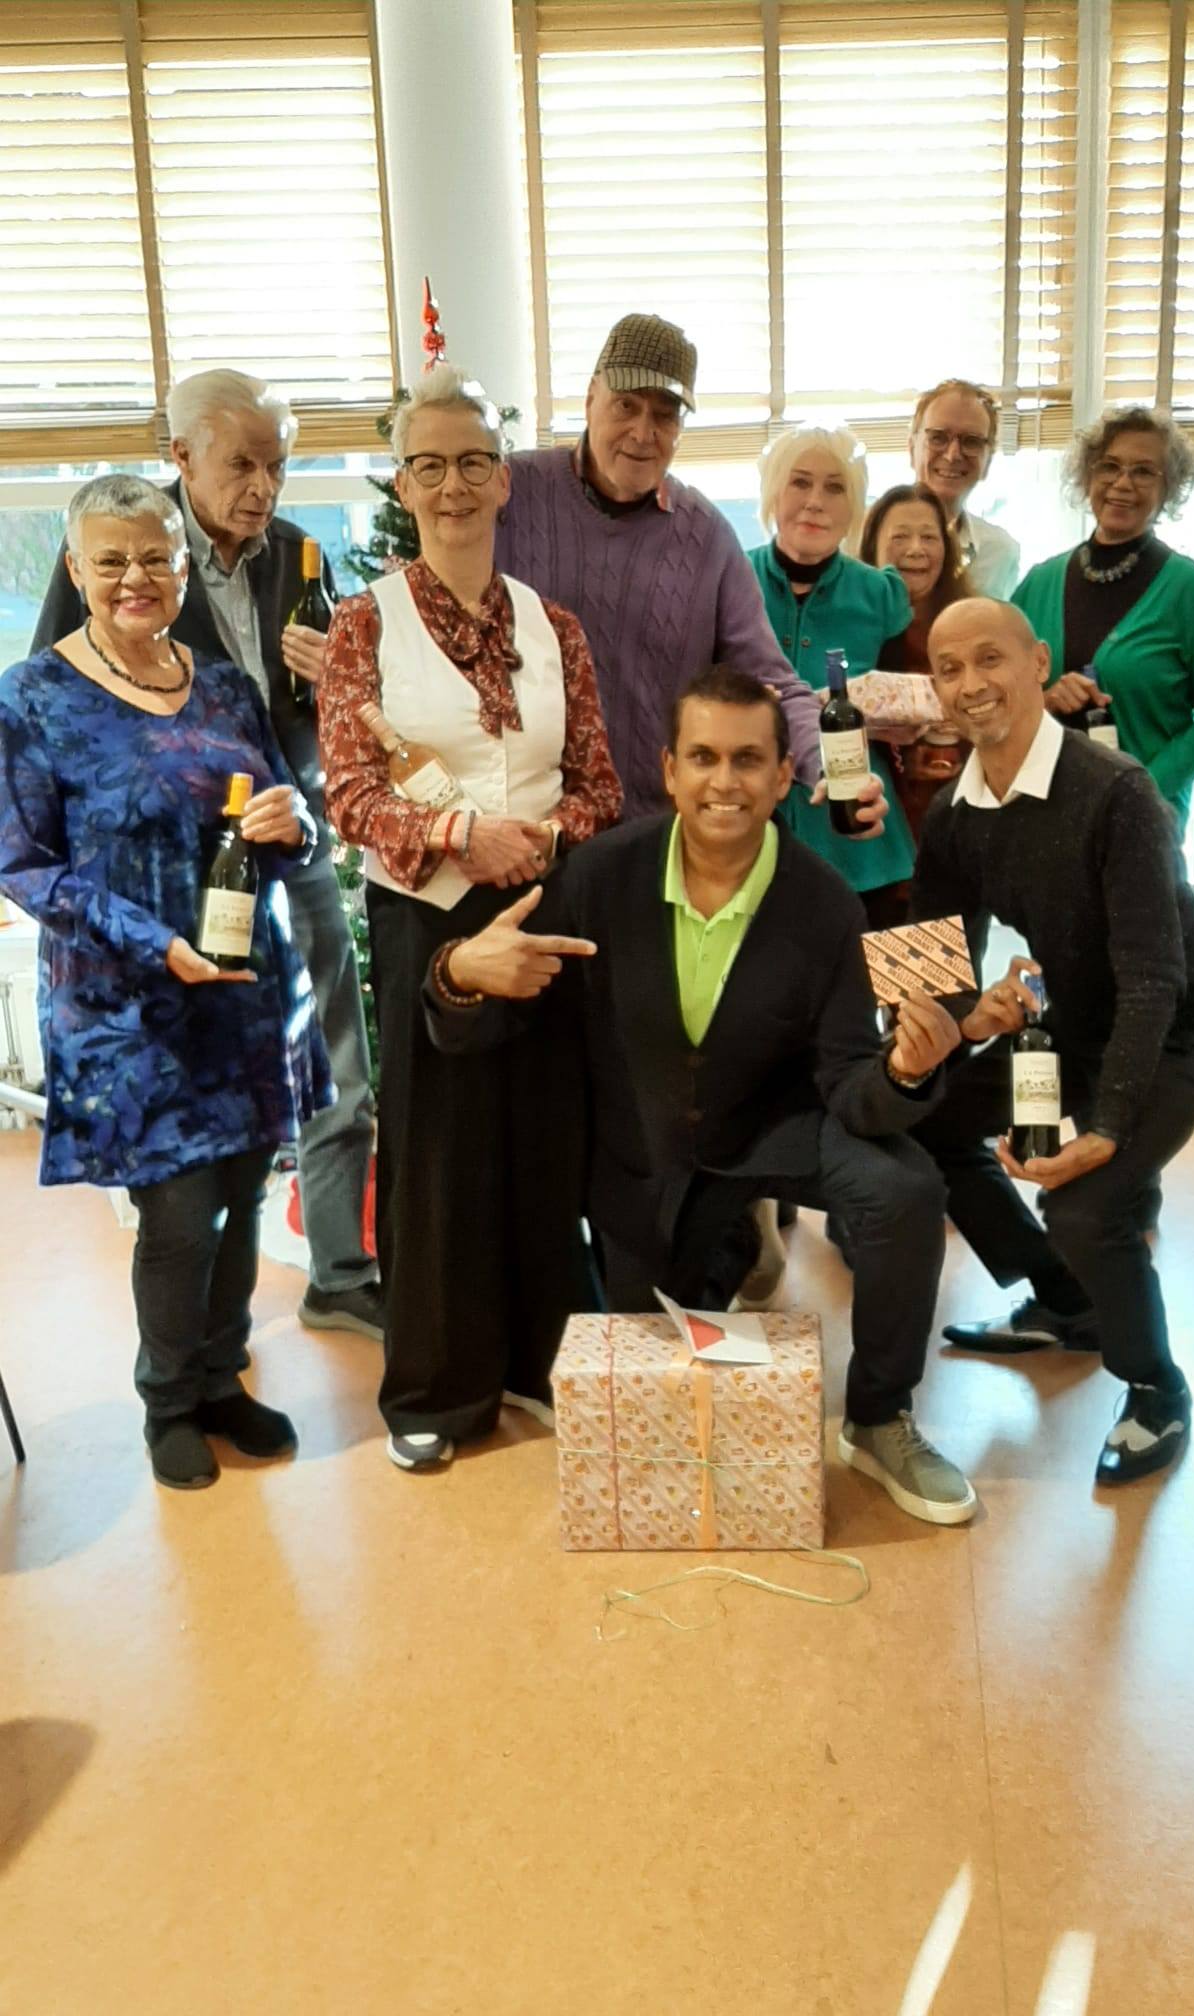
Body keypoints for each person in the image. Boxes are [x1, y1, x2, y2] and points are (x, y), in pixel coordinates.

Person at [424, 665, 978, 1527]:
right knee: (664, 1379)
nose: (726, 780)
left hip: (777, 1128)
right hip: (644, 1156)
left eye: (749, 759)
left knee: (905, 1188)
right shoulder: (600, 875)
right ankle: (734, 1242)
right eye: (705, 757)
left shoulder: (826, 904)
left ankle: (878, 1417)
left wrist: (906, 1071)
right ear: (669, 770)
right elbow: (494, 1016)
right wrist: (458, 972)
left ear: (784, 775)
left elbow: (848, 1085)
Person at [31, 368, 382, 1341]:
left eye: (278, 465)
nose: (263, 486)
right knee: (202, 1113)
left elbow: (334, 714)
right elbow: (61, 697)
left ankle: (340, 1275)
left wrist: (340, 679)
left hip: (290, 837)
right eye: (242, 465)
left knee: (335, 1064)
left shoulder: (301, 555)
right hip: (174, 870)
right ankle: (192, 1350)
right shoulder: (130, 551)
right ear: (180, 455)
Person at [318, 366, 622, 1471]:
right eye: (430, 465)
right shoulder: (364, 625)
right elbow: (350, 793)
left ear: (505, 482)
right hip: (425, 920)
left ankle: (541, 1360)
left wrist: (543, 838)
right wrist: (459, 837)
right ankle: (437, 1392)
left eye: (475, 463)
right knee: (439, 1155)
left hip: (539, 898)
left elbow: (599, 783)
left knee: (545, 1137)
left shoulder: (555, 626)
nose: (454, 486)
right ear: (403, 484)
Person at [0, 476, 330, 1490]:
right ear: (75, 569)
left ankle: (224, 1378)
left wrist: (294, 825)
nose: (135, 577)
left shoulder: (224, 687)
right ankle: (170, 1401)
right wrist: (150, 941)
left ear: (184, 567)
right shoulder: (31, 698)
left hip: (243, 990)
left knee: (243, 1192)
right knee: (182, 1214)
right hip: (127, 1005)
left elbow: (288, 822)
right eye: (111, 560)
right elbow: (22, 864)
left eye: (156, 557)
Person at [909, 599, 1194, 1485]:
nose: (970, 683)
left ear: (1038, 663)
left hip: (1192, 1022)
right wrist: (938, 1034)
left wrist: (1105, 1127)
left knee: (1084, 1208)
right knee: (928, 1122)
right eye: (948, 669)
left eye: (990, 659)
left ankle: (1156, 1387)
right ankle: (1066, 1301)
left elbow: (1155, 978)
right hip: (1080, 1014)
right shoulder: (952, 813)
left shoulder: (1116, 791)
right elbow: (929, 958)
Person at [492, 311, 883, 839]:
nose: (643, 433)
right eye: (626, 406)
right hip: (523, 835)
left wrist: (834, 770)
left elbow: (773, 683)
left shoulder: (707, 538)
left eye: (664, 414)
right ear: (590, 399)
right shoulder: (509, 494)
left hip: (658, 839)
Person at [1011, 404, 1194, 835]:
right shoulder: (1039, 582)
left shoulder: (1187, 588)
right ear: (1087, 476)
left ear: (1169, 488)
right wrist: (1045, 701)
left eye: (1144, 471)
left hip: (1140, 826)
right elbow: (1001, 693)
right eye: (1109, 466)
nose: (1122, 483)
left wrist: (1143, 789)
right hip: (1038, 819)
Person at [747, 421, 914, 923]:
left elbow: (922, 703)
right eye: (800, 482)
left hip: (865, 841)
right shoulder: (731, 579)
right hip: (750, 838)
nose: (815, 502)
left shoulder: (882, 594)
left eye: (835, 487)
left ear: (854, 506)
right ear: (773, 493)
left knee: (902, 972)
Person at [860, 484, 969, 835]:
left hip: (961, 815)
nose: (916, 549)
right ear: (872, 548)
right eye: (900, 537)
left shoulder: (970, 625)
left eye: (929, 537)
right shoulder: (852, 629)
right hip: (876, 818)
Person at [908, 377, 1021, 597]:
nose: (953, 455)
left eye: (971, 442)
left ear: (988, 460)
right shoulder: (862, 539)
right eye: (938, 438)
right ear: (912, 449)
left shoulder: (1001, 554)